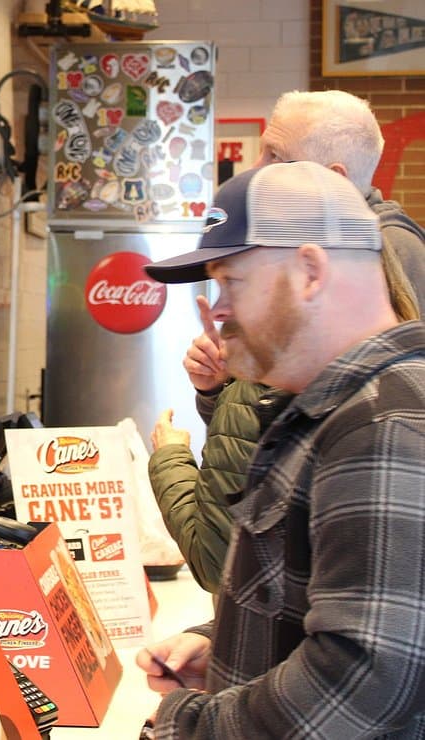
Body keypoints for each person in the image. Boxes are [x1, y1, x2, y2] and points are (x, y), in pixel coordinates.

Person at [134, 161, 425, 737]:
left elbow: (362, 677)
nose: (216, 310)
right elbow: (329, 598)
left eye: (230, 282)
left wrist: (189, 727)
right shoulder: (338, 410)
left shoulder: (382, 423)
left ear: (310, 271)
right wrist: (224, 644)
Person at [254, 90, 425, 305]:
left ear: (334, 180)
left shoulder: (393, 250)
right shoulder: (318, 238)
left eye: (275, 156)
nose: (255, 169)